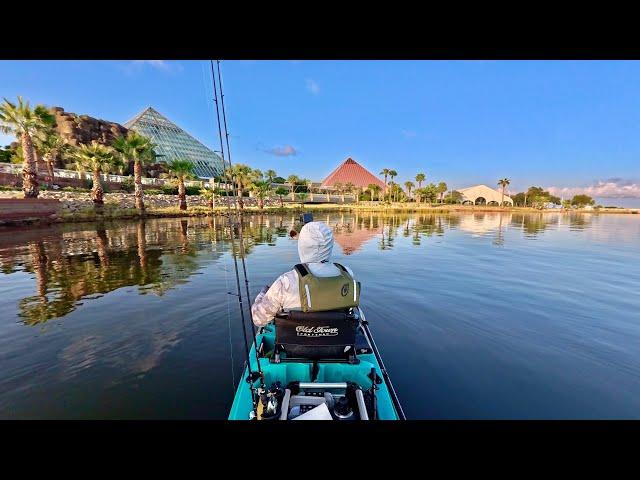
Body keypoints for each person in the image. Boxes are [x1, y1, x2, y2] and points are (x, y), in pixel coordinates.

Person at [251, 221, 357, 327]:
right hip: (338, 339)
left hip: (292, 341)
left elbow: (259, 320)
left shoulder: (286, 281)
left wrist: (262, 295)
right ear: (330, 244)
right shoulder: (347, 274)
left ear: (302, 245)